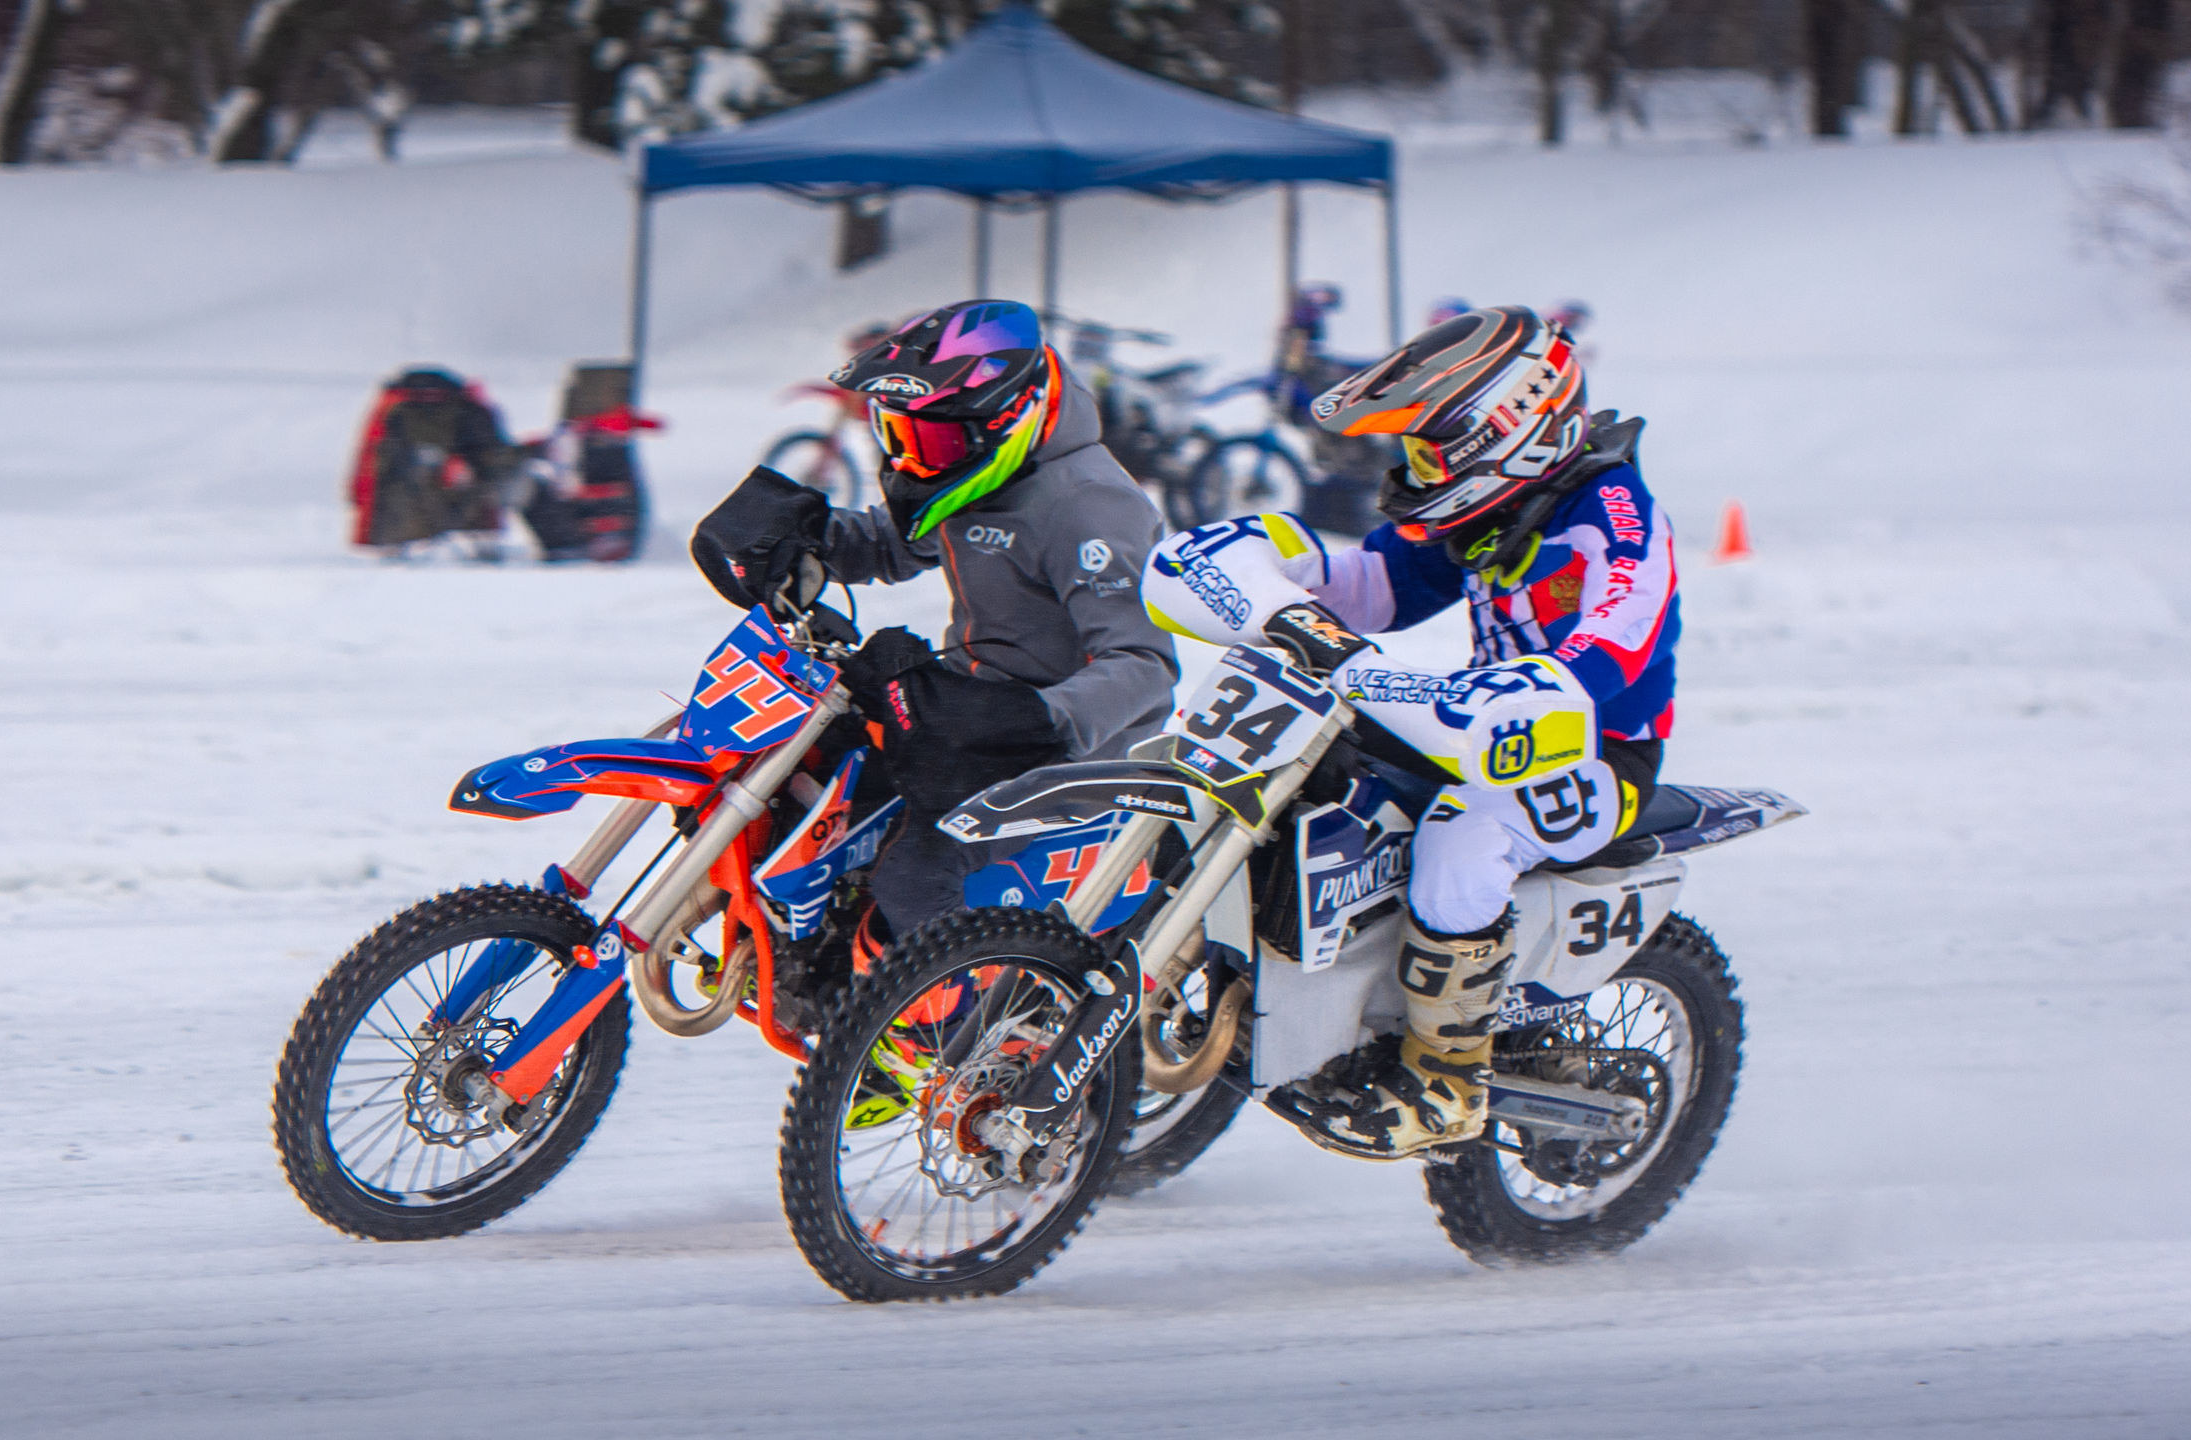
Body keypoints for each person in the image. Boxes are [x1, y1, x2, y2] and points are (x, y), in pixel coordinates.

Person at [1153, 304, 1677, 1159]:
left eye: (1433, 450)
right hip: (1486, 722)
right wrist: (1279, 576)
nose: (1416, 469)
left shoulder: (1615, 522)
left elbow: (1612, 648)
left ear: (1510, 431)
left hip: (1591, 748)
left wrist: (1516, 693)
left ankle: (1446, 1077)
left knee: (1462, 838)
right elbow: (1375, 586)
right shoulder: (1491, 508)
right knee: (1320, 772)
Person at [690, 299, 1176, 948]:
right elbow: (893, 542)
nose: (912, 464)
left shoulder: (1089, 507)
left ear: (1003, 422)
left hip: (1060, 749)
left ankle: (933, 1031)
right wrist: (802, 536)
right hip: (966, 710)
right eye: (897, 438)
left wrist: (1041, 718)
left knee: (912, 873)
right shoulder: (964, 472)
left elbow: (1144, 666)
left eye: (931, 442)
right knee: (797, 776)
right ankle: (816, 955)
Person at [347, 367, 521, 560]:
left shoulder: (394, 409)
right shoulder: (469, 409)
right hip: (426, 516)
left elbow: (366, 475)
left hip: (413, 520)